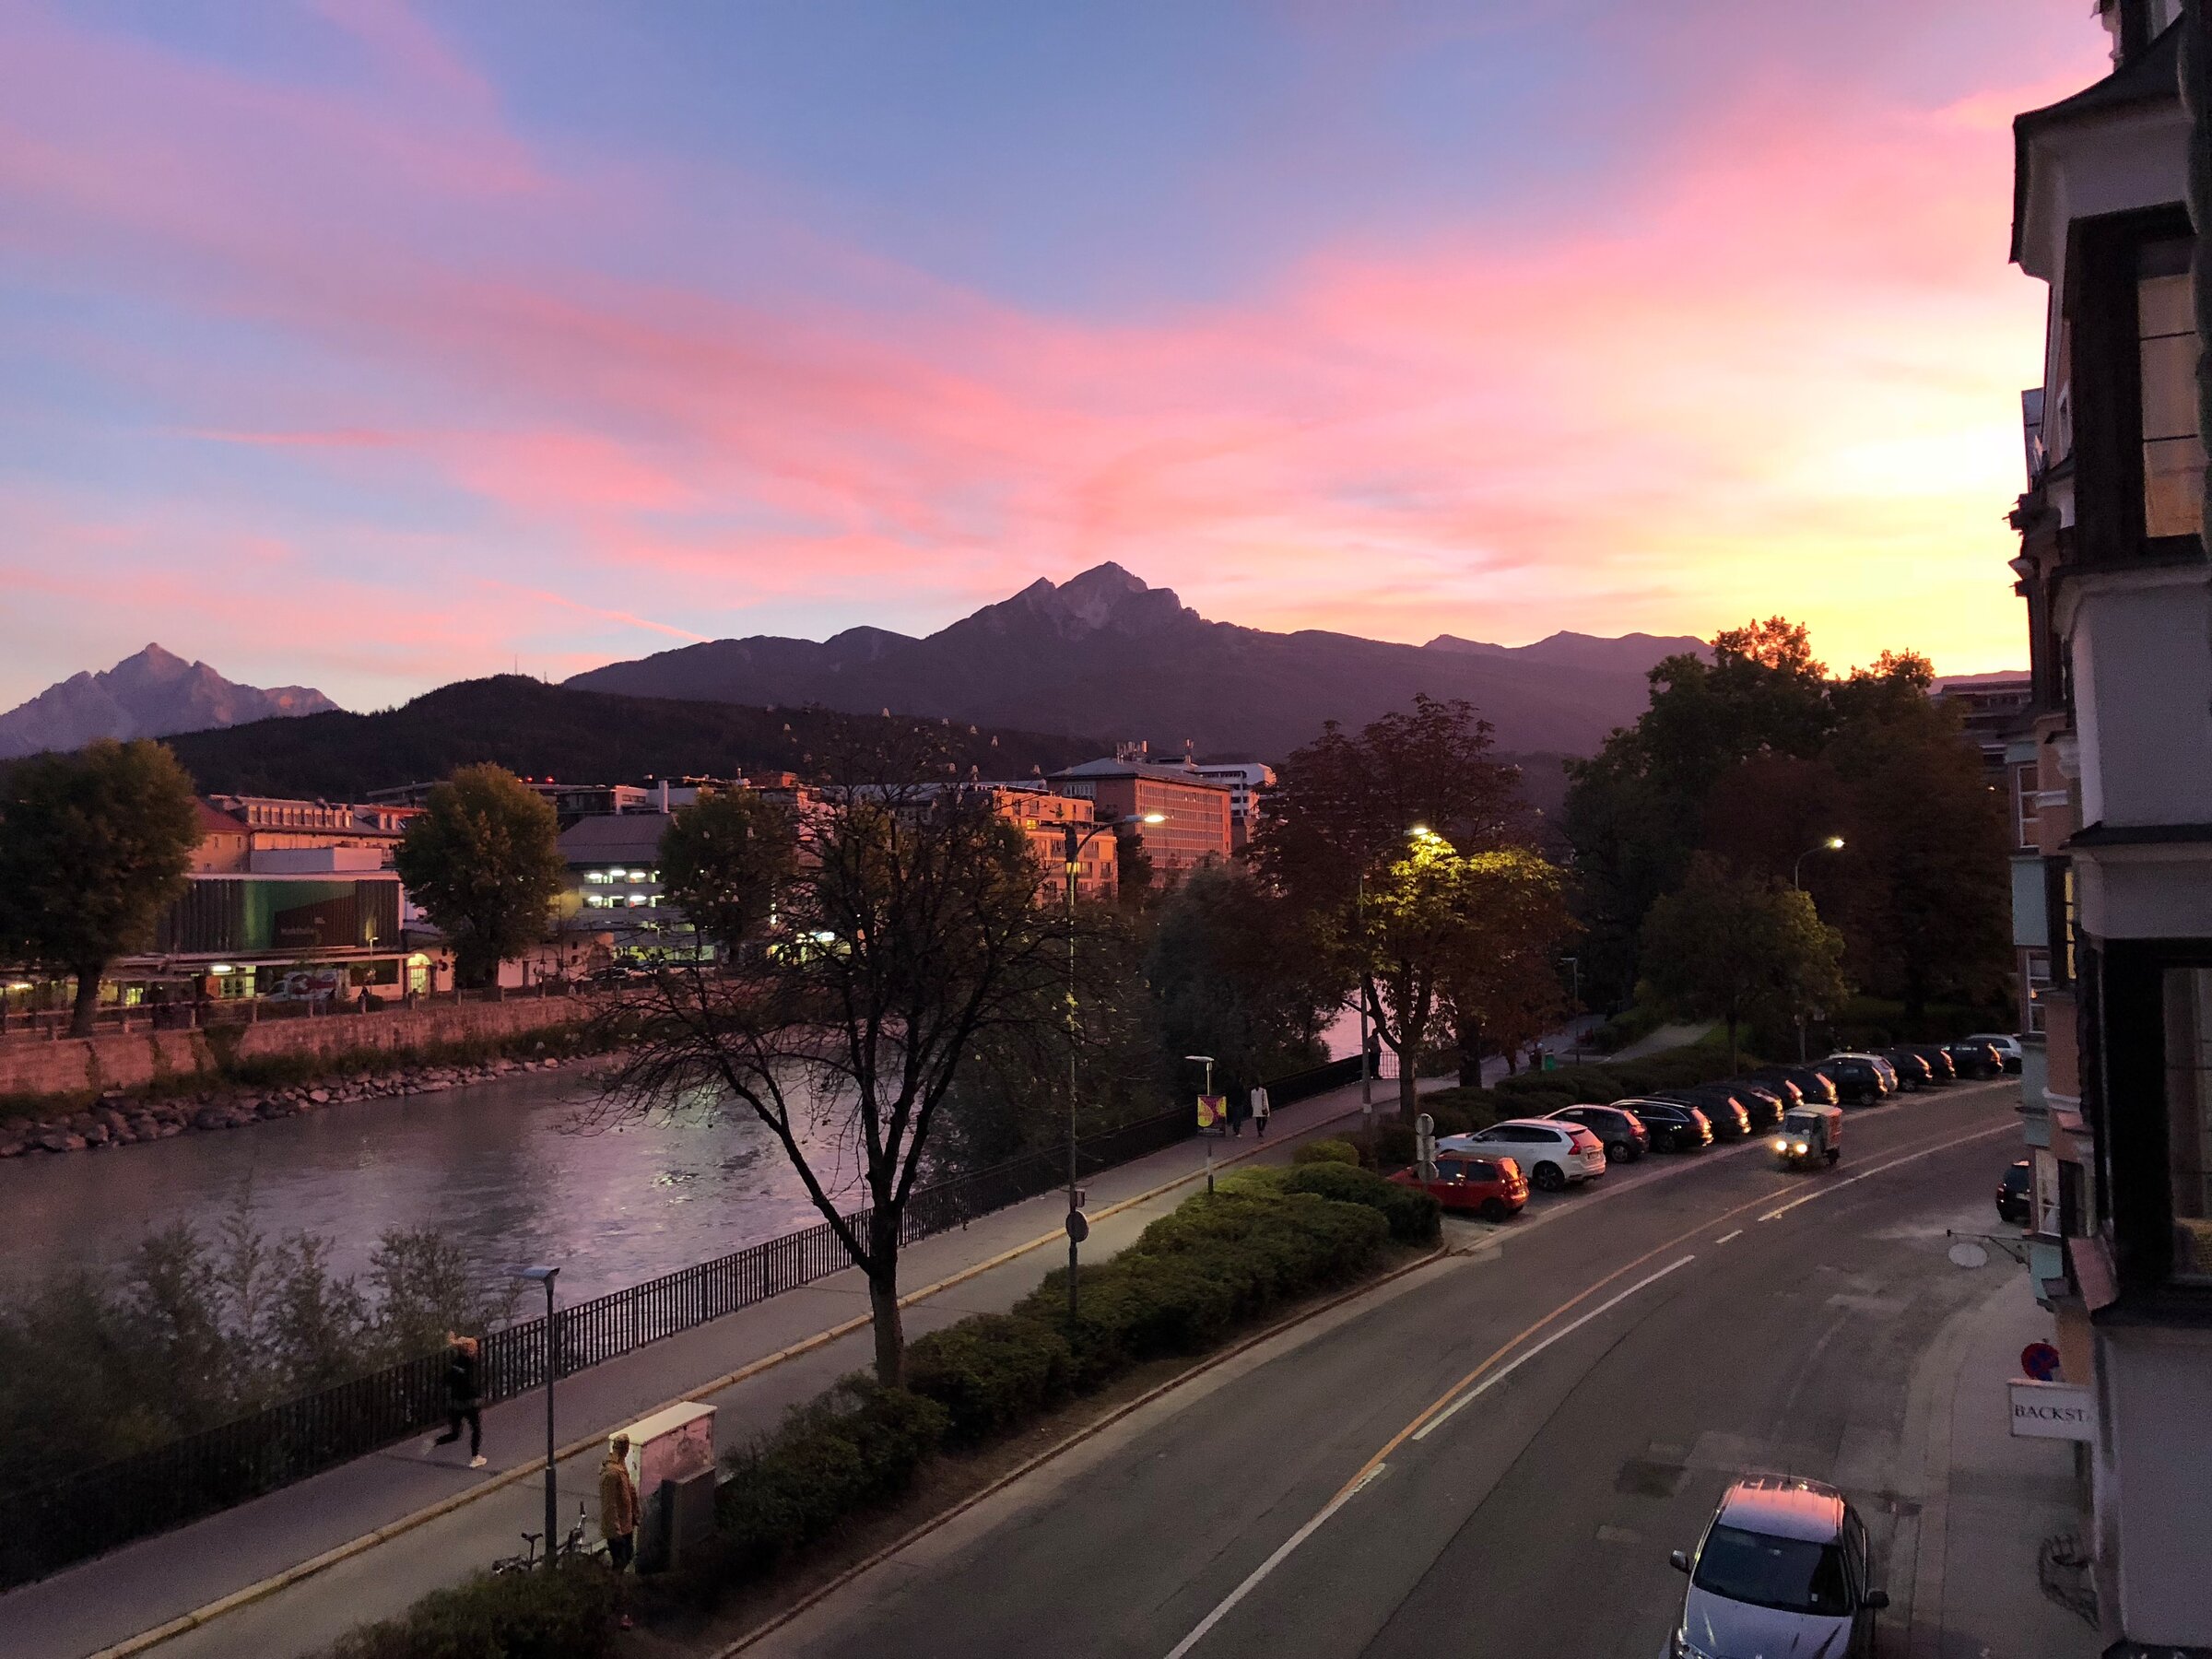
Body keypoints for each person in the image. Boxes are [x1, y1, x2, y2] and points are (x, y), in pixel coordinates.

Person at [600, 1434, 641, 1627]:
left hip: (626, 1525)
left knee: (626, 1558)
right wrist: (615, 1531)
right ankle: (615, 1605)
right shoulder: (611, 1473)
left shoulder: (620, 1467)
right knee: (620, 1564)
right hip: (618, 1530)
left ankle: (614, 1596)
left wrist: (635, 1516)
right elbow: (610, 1507)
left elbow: (629, 1493)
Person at [430, 1332, 486, 1468]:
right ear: (470, 1350)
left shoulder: (456, 1363)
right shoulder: (470, 1364)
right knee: (476, 1429)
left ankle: (436, 1442)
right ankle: (475, 1457)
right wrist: (478, 1396)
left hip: (455, 1403)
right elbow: (470, 1384)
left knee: (455, 1433)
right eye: (474, 1348)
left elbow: (446, 1379)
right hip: (469, 1403)